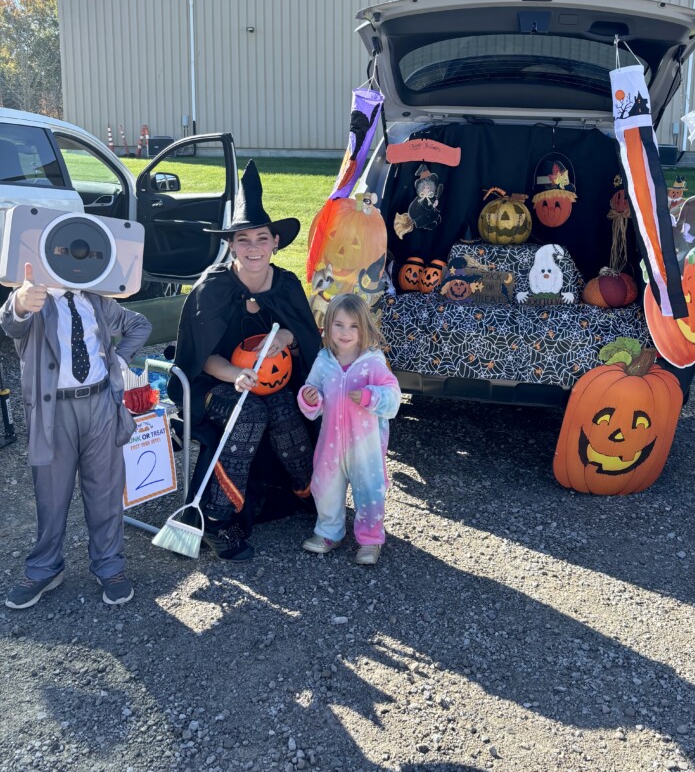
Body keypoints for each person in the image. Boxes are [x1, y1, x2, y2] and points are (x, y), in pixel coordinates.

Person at [168, 160, 322, 562]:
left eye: (261, 238)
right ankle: (217, 520)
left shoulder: (286, 286)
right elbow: (199, 358)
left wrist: (286, 336)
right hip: (210, 389)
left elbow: (304, 339)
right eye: (242, 239)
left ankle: (307, 493)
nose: (252, 248)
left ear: (275, 242)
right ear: (231, 245)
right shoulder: (213, 289)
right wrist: (236, 375)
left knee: (285, 405)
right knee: (249, 411)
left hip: (271, 383)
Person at [1, 264, 151, 609]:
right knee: (51, 493)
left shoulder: (95, 300)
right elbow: (11, 322)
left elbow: (139, 324)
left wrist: (120, 361)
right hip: (54, 412)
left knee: (106, 489)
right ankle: (44, 567)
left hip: (99, 403)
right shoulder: (35, 300)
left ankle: (109, 565)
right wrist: (22, 301)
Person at [298, 293, 401, 565]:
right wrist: (311, 398)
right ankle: (329, 532)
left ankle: (370, 539)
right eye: (339, 325)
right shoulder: (324, 360)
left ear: (364, 328)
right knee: (325, 486)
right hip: (330, 442)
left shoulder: (373, 362)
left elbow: (393, 398)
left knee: (369, 490)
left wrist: (370, 397)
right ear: (328, 326)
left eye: (353, 326)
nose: (345, 332)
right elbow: (313, 391)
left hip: (364, 446)